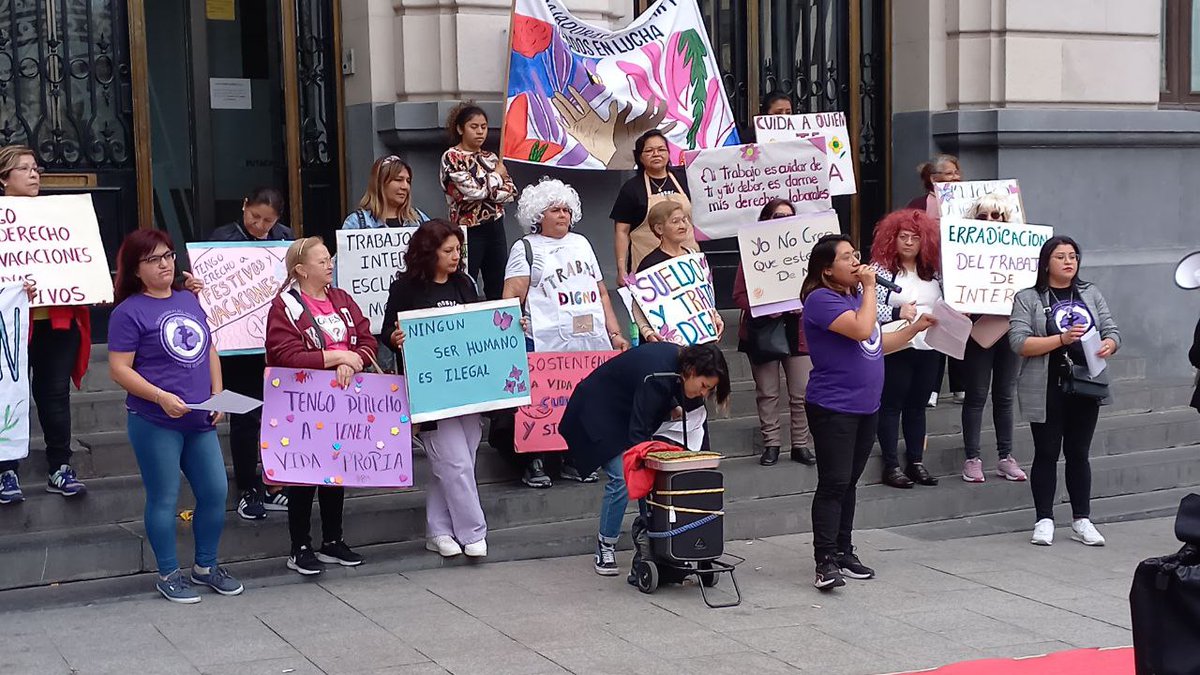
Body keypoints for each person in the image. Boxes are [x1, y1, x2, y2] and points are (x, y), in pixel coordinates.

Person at [107, 229, 243, 603]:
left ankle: (205, 565)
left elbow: (209, 347)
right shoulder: (128, 312)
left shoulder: (188, 299)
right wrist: (159, 396)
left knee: (215, 490)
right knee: (164, 497)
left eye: (167, 256)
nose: (165, 264)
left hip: (198, 417)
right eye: (154, 259)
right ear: (136, 269)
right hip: (155, 420)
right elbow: (119, 369)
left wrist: (218, 393)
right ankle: (168, 572)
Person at [801, 234, 935, 590]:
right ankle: (824, 560)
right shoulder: (821, 300)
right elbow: (862, 328)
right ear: (827, 269)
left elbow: (876, 342)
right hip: (833, 406)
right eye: (847, 258)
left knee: (850, 482)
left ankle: (844, 549)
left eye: (855, 254)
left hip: (865, 406)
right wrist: (872, 287)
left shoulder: (857, 298)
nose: (856, 262)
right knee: (833, 483)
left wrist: (914, 329)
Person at [499, 178, 629, 488]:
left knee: (581, 400)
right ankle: (535, 459)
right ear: (537, 215)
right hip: (544, 342)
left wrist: (615, 333)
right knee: (541, 400)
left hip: (587, 341)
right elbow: (511, 297)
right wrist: (513, 327)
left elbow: (602, 293)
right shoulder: (526, 248)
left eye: (566, 210)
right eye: (555, 210)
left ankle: (575, 458)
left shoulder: (582, 243)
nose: (563, 216)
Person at [560, 342, 731, 576]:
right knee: (621, 476)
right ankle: (605, 544)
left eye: (709, 390)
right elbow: (638, 439)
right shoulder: (658, 373)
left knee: (655, 469)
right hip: (597, 411)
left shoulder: (679, 370)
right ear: (691, 371)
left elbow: (698, 429)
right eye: (703, 386)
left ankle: (658, 542)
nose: (704, 393)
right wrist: (650, 513)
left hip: (626, 408)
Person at [265, 236, 375, 575]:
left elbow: (368, 338)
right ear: (301, 269)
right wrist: (334, 357)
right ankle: (299, 546)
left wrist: (352, 359)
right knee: (303, 472)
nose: (330, 265)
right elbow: (285, 354)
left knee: (335, 470)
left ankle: (332, 540)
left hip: (342, 397)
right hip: (302, 402)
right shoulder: (286, 306)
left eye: (330, 260)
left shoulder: (341, 299)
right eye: (322, 261)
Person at [382, 219, 490, 559]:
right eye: (448, 251)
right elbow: (387, 329)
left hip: (467, 387)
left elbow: (479, 323)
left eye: (458, 249)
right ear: (429, 252)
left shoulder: (464, 283)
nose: (456, 256)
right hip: (428, 390)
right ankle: (473, 531)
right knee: (454, 462)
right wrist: (394, 338)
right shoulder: (406, 289)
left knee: (460, 460)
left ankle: (438, 530)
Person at [1010, 236, 1120, 547]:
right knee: (1046, 452)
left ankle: (1081, 519)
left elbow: (1112, 329)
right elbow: (1019, 342)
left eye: (1073, 256)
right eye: (1061, 257)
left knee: (1078, 453)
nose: (1069, 262)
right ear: (1046, 263)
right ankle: (1044, 518)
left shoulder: (1090, 292)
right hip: (1046, 385)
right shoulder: (1028, 298)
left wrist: (1110, 344)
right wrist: (1061, 340)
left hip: (1086, 383)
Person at [0, 145, 91, 504]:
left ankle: (60, 465)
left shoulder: (60, 217)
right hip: (9, 325)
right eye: (24, 169)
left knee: (54, 394)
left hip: (55, 320)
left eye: (36, 168)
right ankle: (6, 469)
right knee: (7, 392)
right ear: (4, 179)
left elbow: (78, 261)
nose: (35, 174)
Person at [209, 187, 292, 520]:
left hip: (274, 342)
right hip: (237, 345)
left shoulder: (286, 240)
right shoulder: (222, 238)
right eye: (254, 217)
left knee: (276, 415)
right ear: (244, 205)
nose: (259, 226)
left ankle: (275, 483)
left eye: (267, 221)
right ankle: (247, 487)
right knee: (244, 416)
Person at [733, 199, 814, 466]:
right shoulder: (752, 253)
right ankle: (772, 444)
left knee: (801, 392)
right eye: (777, 215)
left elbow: (819, 289)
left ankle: (800, 444)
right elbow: (739, 296)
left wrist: (804, 304)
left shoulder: (806, 252)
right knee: (767, 391)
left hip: (800, 331)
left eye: (789, 216)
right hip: (763, 331)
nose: (783, 220)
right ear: (765, 219)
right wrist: (768, 308)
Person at [868, 209, 943, 489]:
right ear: (892, 239)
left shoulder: (933, 272)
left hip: (929, 344)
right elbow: (867, 307)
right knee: (891, 405)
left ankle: (916, 461)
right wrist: (897, 312)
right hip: (894, 345)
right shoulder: (880, 269)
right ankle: (891, 464)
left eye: (915, 237)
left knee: (917, 406)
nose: (909, 243)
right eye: (903, 237)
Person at [958, 197, 1028, 484]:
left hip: (1009, 327)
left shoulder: (1019, 251)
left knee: (1004, 394)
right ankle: (972, 458)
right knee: (975, 394)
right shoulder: (961, 252)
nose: (990, 220)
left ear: (1004, 219)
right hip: (979, 329)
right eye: (983, 216)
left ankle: (1005, 457)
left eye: (996, 215)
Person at [440, 102, 517, 301]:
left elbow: (510, 192)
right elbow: (471, 192)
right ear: (460, 128)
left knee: (497, 280)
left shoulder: (491, 157)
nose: (480, 132)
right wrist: (496, 180)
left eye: (483, 127)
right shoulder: (452, 157)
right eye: (474, 127)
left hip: (495, 225)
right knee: (467, 279)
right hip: (467, 228)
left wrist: (488, 188)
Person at [631, 200, 724, 341]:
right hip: (668, 344)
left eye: (684, 220)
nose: (682, 225)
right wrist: (647, 332)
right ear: (659, 229)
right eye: (675, 221)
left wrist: (715, 317)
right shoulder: (650, 264)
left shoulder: (693, 255)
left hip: (701, 341)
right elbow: (638, 303)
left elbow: (704, 295)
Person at [611, 129, 695, 283]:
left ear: (669, 154)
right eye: (649, 151)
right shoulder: (631, 188)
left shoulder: (686, 178)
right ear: (640, 157)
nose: (656, 154)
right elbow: (621, 231)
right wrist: (621, 269)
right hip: (649, 268)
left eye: (661, 149)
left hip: (688, 262)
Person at [341, 155, 431, 230]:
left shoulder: (419, 219)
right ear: (380, 183)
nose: (405, 187)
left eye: (408, 181)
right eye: (398, 180)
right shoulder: (357, 222)